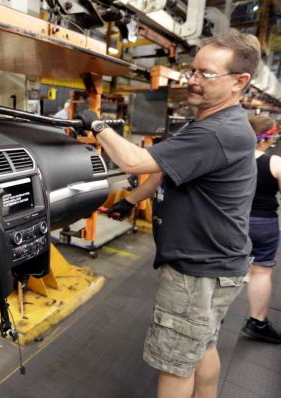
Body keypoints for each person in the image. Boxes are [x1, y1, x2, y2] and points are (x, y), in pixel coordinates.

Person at [78, 32, 260, 398]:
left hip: (198, 271)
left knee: (175, 365)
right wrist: (133, 199)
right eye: (192, 70)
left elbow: (135, 160)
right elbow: (167, 168)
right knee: (202, 346)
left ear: (240, 82)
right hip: (221, 263)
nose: (192, 80)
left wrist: (97, 125)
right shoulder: (212, 123)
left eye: (206, 74)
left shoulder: (218, 131)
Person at [242, 115, 281, 343]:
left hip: (229, 221)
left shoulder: (230, 158)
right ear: (269, 137)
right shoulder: (274, 162)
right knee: (261, 271)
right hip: (263, 223)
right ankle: (257, 321)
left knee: (222, 267)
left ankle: (212, 316)